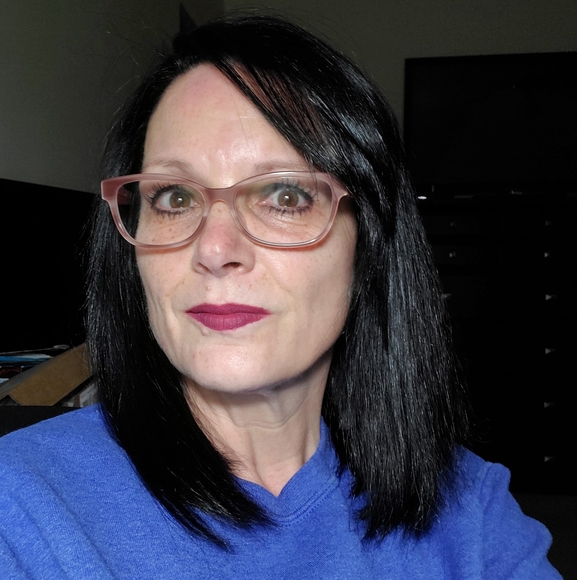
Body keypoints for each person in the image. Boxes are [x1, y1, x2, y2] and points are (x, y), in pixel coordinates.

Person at [0, 14, 561, 579]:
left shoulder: (472, 514)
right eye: (174, 197)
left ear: (367, 246)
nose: (215, 249)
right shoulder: (20, 508)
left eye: (286, 196)